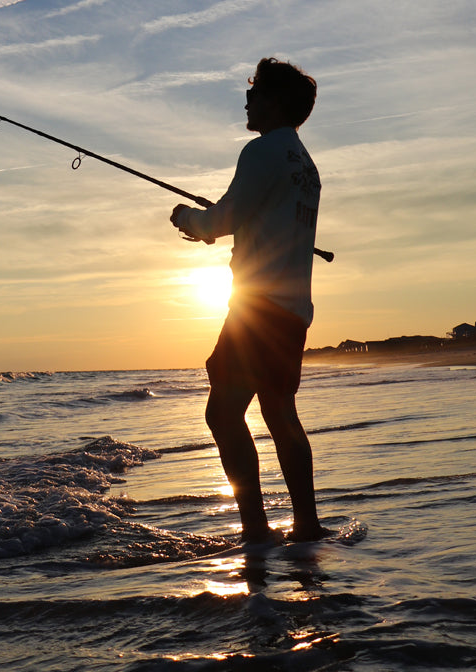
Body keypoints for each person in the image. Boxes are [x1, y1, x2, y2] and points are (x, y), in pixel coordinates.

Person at [170, 57, 326, 544]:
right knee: (280, 412)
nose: (247, 99)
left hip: (258, 309)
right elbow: (254, 215)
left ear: (274, 101)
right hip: (293, 310)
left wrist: (188, 220)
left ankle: (257, 531)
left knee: (222, 414)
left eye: (254, 91)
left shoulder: (261, 152)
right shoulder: (306, 165)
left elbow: (223, 219)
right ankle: (306, 525)